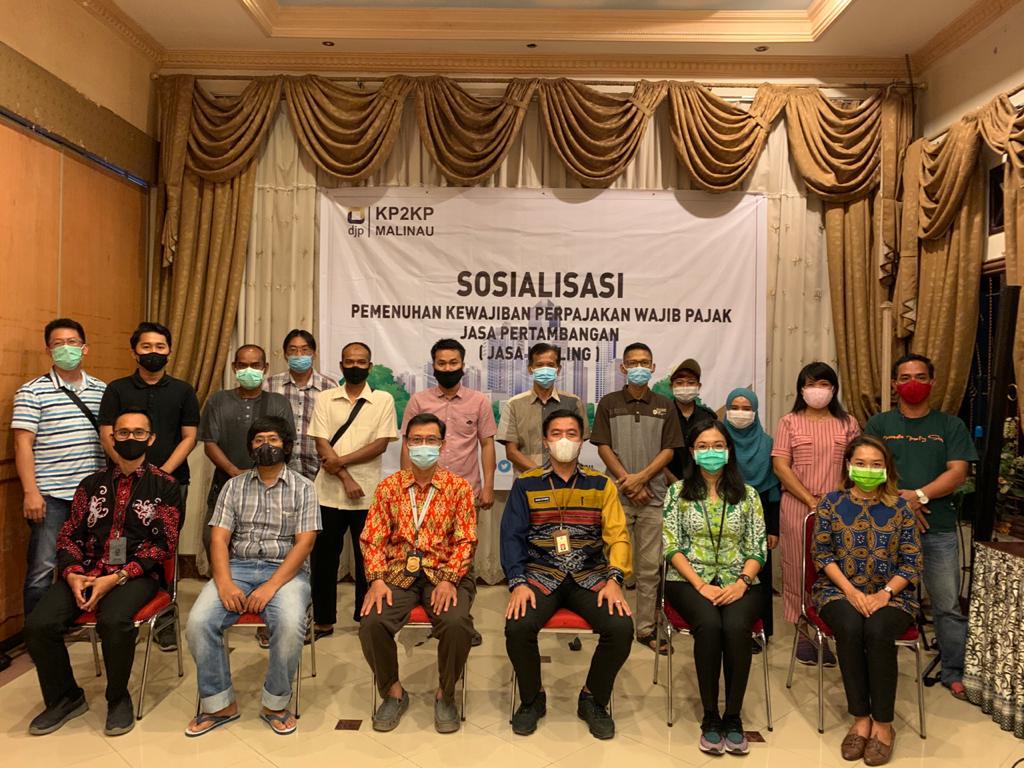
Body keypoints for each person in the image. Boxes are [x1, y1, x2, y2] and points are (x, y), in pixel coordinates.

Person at [24, 408, 180, 737]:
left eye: (139, 433)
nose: (130, 438)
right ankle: (65, 697)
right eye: (123, 432)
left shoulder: (165, 486)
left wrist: (118, 577)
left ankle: (118, 698)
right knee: (39, 623)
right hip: (87, 571)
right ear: (112, 437)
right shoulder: (90, 484)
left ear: (151, 439)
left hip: (137, 575)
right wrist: (72, 574)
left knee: (113, 620)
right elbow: (68, 536)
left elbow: (163, 545)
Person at [185, 415, 320, 738]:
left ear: (286, 446)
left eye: (273, 440)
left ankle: (275, 704)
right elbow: (219, 539)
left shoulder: (304, 488)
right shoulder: (233, 486)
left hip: (285, 572)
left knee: (289, 624)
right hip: (238, 568)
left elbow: (305, 544)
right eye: (259, 440)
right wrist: (224, 583)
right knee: (198, 623)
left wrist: (271, 586)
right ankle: (219, 704)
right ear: (250, 447)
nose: (265, 446)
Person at [502, 409, 633, 740]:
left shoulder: (601, 484)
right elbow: (511, 537)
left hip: (590, 576)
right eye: (556, 433)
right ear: (545, 441)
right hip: (540, 575)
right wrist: (518, 583)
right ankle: (532, 698)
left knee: (620, 627)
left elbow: (618, 536)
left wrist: (615, 579)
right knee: (518, 626)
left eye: (571, 434)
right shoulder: (526, 484)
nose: (564, 440)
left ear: (582, 440)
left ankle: (593, 698)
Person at [864, 353, 976, 700]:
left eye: (920, 376)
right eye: (905, 377)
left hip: (937, 528)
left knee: (946, 603)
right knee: (877, 596)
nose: (912, 383)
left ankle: (953, 670)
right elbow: (867, 470)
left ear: (932, 381)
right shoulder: (879, 424)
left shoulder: (950, 426)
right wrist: (903, 505)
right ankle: (874, 661)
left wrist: (919, 496)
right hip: (886, 529)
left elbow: (958, 472)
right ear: (894, 384)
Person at [358, 413, 477, 734]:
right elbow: (373, 538)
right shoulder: (389, 487)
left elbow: (466, 540)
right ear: (407, 444)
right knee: (371, 622)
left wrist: (450, 580)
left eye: (431, 440)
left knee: (456, 623)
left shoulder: (459, 488)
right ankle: (393, 691)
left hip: (445, 572)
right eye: (417, 440)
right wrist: (376, 580)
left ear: (443, 445)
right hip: (397, 573)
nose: (424, 446)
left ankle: (446, 694)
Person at [812, 435, 922, 766]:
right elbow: (822, 553)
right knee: (849, 626)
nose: (868, 470)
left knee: (877, 630)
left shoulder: (901, 508)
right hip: (838, 590)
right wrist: (851, 592)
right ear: (848, 466)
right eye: (860, 463)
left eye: (876, 464)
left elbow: (911, 562)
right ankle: (860, 719)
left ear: (887, 469)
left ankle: (883, 725)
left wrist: (884, 594)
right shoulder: (830, 503)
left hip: (894, 595)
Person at [662, 420, 767, 756]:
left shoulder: (748, 495)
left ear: (729, 450)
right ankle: (710, 716)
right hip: (687, 581)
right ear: (693, 452)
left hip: (741, 580)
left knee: (735, 627)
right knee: (709, 625)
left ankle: (733, 717)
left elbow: (758, 548)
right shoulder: (677, 492)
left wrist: (742, 583)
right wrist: (700, 585)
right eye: (703, 446)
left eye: (718, 445)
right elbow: (671, 546)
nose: (711, 452)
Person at [97, 321, 199, 651]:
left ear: (169, 351)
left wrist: (161, 475)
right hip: (122, 483)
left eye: (160, 347)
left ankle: (165, 621)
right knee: (119, 546)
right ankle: (117, 615)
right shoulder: (116, 389)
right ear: (134, 351)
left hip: (172, 483)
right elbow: (107, 433)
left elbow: (189, 437)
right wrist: (130, 470)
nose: (153, 352)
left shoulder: (183, 390)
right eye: (146, 346)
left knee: (164, 551)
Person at [401, 338, 496, 646]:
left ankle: (461, 619)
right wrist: (405, 486)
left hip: (465, 494)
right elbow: (407, 444)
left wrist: (488, 485)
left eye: (453, 363)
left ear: (463, 365)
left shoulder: (479, 401)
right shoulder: (418, 401)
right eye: (441, 363)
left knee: (463, 560)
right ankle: (437, 613)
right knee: (425, 556)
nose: (447, 368)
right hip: (424, 494)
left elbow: (486, 444)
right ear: (433, 366)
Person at [591, 342, 683, 654]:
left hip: (653, 498)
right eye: (633, 362)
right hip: (617, 497)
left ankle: (644, 628)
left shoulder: (665, 405)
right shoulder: (609, 403)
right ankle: (612, 624)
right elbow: (603, 446)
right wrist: (627, 481)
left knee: (649, 569)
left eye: (644, 362)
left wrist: (641, 478)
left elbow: (669, 450)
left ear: (653, 367)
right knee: (613, 564)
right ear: (623, 368)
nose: (639, 367)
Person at [13, 318, 106, 616]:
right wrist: (31, 492)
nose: (66, 348)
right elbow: (23, 444)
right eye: (58, 344)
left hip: (94, 497)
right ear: (48, 350)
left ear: (85, 348)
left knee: (93, 563)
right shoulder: (31, 391)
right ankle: (37, 633)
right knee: (42, 569)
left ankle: (77, 623)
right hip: (51, 496)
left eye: (72, 342)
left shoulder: (102, 390)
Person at [307, 341, 398, 637]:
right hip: (328, 493)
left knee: (367, 561)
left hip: (367, 495)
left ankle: (366, 618)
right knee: (324, 561)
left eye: (361, 362)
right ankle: (323, 620)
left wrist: (340, 462)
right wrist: (345, 477)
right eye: (349, 361)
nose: (355, 366)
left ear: (370, 366)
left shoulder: (383, 400)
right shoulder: (325, 398)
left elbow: (380, 444)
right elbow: (320, 441)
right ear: (341, 365)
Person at [772, 361, 859, 665]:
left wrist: (837, 499)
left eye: (823, 384)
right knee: (798, 567)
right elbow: (781, 465)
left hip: (840, 508)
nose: (817, 390)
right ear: (801, 389)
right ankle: (805, 633)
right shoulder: (789, 422)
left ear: (833, 389)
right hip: (798, 506)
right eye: (811, 384)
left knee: (836, 568)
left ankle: (834, 630)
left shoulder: (848, 423)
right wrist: (810, 499)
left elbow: (856, 464)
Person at [198, 344, 295, 562]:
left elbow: (287, 445)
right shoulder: (218, 400)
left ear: (265, 368)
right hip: (225, 482)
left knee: (263, 543)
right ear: (234, 367)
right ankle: (222, 581)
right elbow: (209, 443)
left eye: (255, 365)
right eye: (243, 365)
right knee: (213, 540)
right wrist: (234, 471)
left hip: (270, 486)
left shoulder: (278, 402)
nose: (248, 370)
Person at [723, 387, 780, 643]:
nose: (740, 413)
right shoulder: (719, 441)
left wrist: (773, 528)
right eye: (735, 408)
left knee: (760, 574)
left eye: (746, 409)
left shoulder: (767, 444)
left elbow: (773, 488)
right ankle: (730, 628)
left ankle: (760, 631)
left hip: (760, 516)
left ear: (755, 412)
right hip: (724, 512)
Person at [497, 342, 589, 475]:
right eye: (539, 365)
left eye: (550, 365)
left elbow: (577, 444)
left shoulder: (574, 402)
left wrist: (556, 476)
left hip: (567, 481)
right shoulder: (514, 404)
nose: (545, 370)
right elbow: (511, 452)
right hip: (527, 481)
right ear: (530, 369)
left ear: (558, 369)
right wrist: (542, 475)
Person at [264, 329, 338, 481]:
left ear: (314, 354)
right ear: (285, 354)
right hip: (278, 467)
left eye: (305, 350)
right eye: (293, 350)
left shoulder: (330, 387)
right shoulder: (270, 385)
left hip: (320, 469)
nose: (299, 355)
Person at [665, 359, 718, 482]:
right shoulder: (663, 416)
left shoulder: (708, 417)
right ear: (671, 386)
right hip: (667, 484)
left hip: (702, 482)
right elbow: (655, 453)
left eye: (691, 382)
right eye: (679, 383)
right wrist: (674, 482)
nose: (685, 387)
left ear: (698, 386)